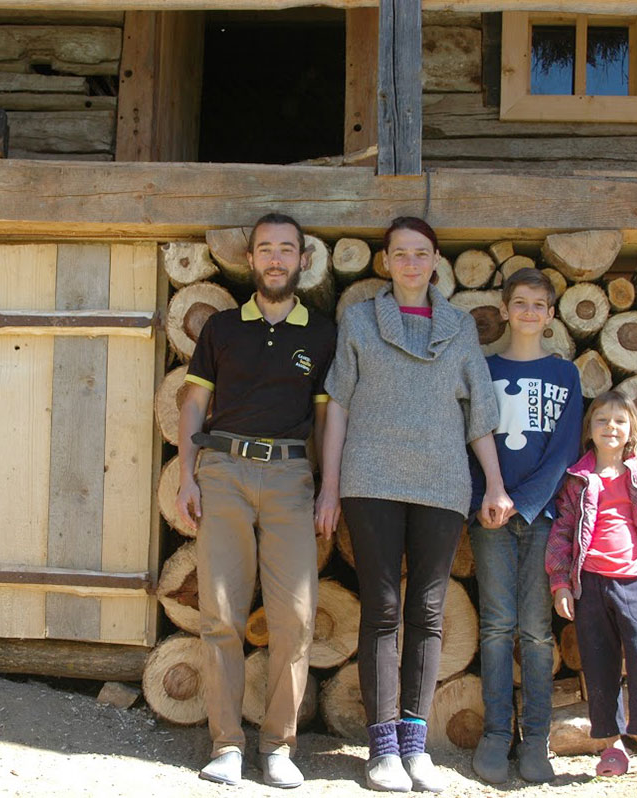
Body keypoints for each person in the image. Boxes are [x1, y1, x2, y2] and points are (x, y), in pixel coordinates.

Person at [316, 217, 508, 793]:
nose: (410, 263)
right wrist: (329, 486)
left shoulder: (458, 329)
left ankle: (415, 745)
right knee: (380, 609)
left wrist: (494, 484)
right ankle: (381, 749)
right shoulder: (358, 320)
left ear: (435, 261)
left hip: (442, 483)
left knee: (426, 613)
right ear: (386, 262)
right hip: (370, 479)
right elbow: (339, 407)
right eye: (400, 253)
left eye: (421, 253)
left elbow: (479, 415)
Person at [175, 213, 337, 789]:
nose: (275, 259)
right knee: (221, 613)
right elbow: (193, 403)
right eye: (265, 249)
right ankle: (225, 745)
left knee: (295, 618)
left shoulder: (320, 332)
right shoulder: (221, 327)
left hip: (291, 478)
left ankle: (278, 747)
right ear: (250, 260)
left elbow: (326, 419)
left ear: (302, 260)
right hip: (223, 472)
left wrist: (328, 488)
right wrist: (187, 475)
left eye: (286, 249)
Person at [468, 267, 584, 785]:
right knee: (496, 626)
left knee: (536, 631)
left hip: (542, 518)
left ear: (551, 313)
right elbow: (470, 434)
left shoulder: (565, 374)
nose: (529, 312)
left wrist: (528, 502)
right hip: (490, 514)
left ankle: (534, 740)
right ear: (505, 309)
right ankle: (496, 735)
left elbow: (564, 450)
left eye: (540, 304)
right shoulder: (484, 368)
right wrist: (485, 497)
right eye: (521, 303)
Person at [544, 390, 637, 776]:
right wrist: (560, 583)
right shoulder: (578, 479)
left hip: (636, 581)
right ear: (589, 429)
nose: (611, 427)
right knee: (598, 662)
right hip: (589, 583)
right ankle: (611, 746)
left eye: (620, 421)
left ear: (631, 429)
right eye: (602, 420)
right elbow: (562, 532)